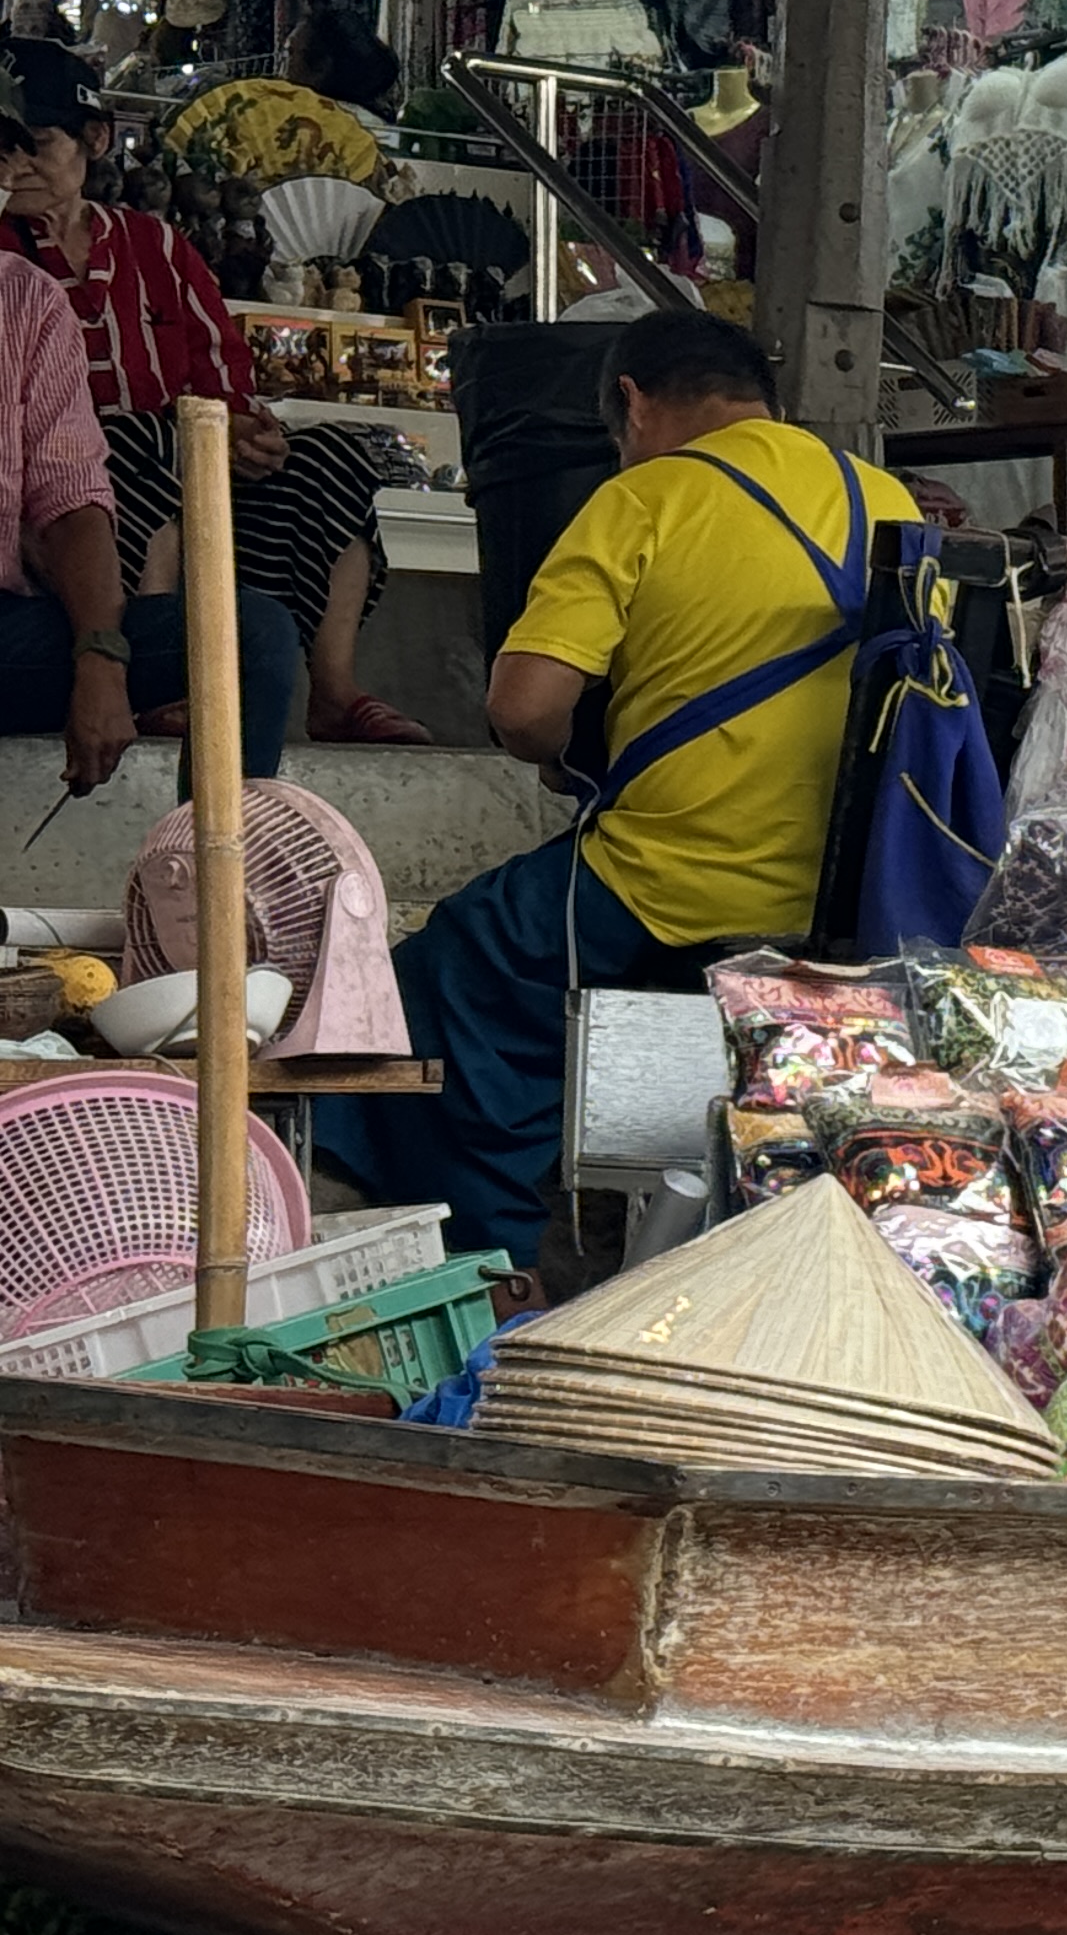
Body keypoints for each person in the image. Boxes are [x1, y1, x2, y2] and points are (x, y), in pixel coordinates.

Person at [313, 309, 918, 1266]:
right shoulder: (888, 498)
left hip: (672, 888)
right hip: (862, 902)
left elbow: (522, 710)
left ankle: (492, 1258)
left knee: (460, 966)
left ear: (631, 403)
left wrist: (566, 754)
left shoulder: (647, 496)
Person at [2, 50, 426, 746]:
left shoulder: (157, 247)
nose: (18, 168)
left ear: (96, 140)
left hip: (194, 475)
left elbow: (223, 374)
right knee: (142, 449)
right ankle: (155, 682)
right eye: (4, 150)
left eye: (37, 145)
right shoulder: (7, 263)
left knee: (332, 460)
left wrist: (247, 435)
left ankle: (335, 690)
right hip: (72, 512)